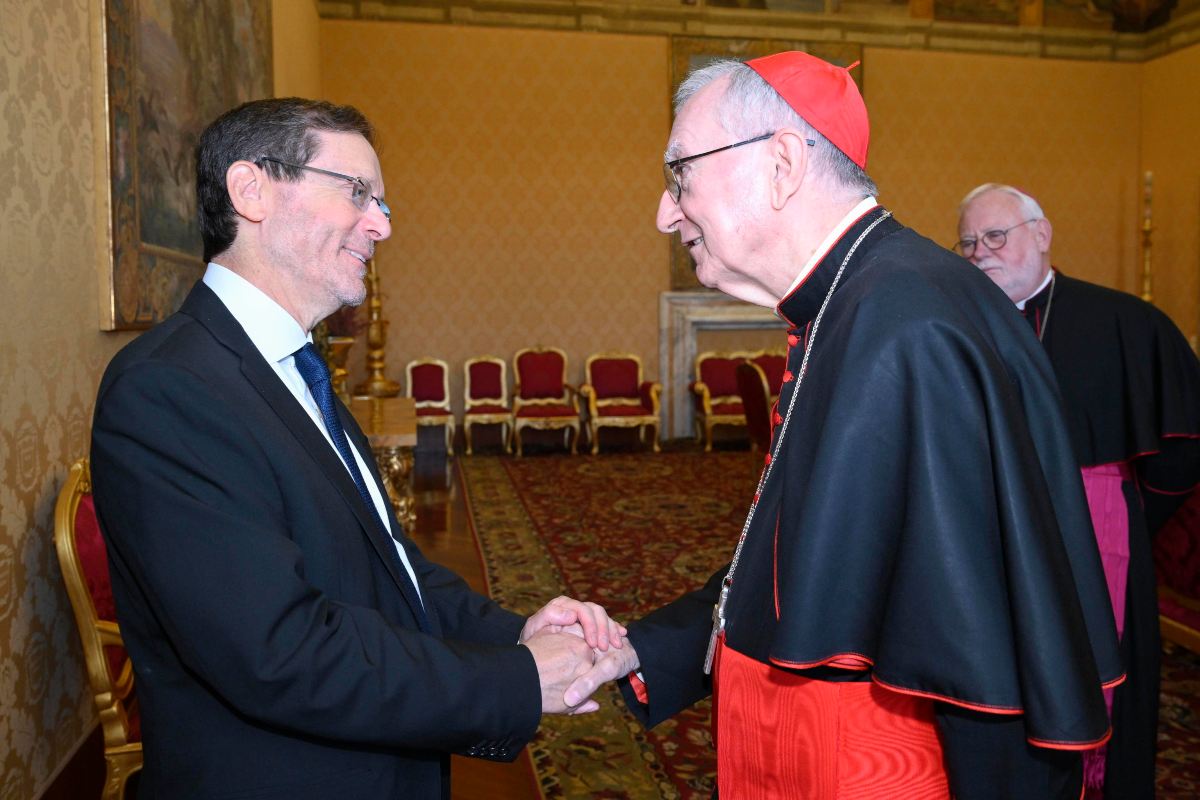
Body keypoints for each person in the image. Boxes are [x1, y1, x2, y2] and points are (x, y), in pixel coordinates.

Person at [564, 53, 1124, 799]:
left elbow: (982, 671)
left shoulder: (907, 328)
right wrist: (638, 652)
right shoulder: (855, 306)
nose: (665, 212)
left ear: (783, 163)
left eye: (680, 175)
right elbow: (799, 566)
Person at [90, 97, 622, 799]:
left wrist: (512, 631)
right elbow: (279, 652)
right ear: (251, 191)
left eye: (383, 201)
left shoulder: (291, 367)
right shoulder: (169, 389)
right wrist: (517, 679)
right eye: (358, 193)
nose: (382, 224)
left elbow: (388, 567)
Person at [957, 183, 1200, 799]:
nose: (980, 252)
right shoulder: (951, 326)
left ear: (1041, 235)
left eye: (995, 236)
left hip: (1100, 538)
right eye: (967, 242)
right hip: (982, 540)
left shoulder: (1126, 322)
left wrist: (1124, 518)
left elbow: (1183, 450)